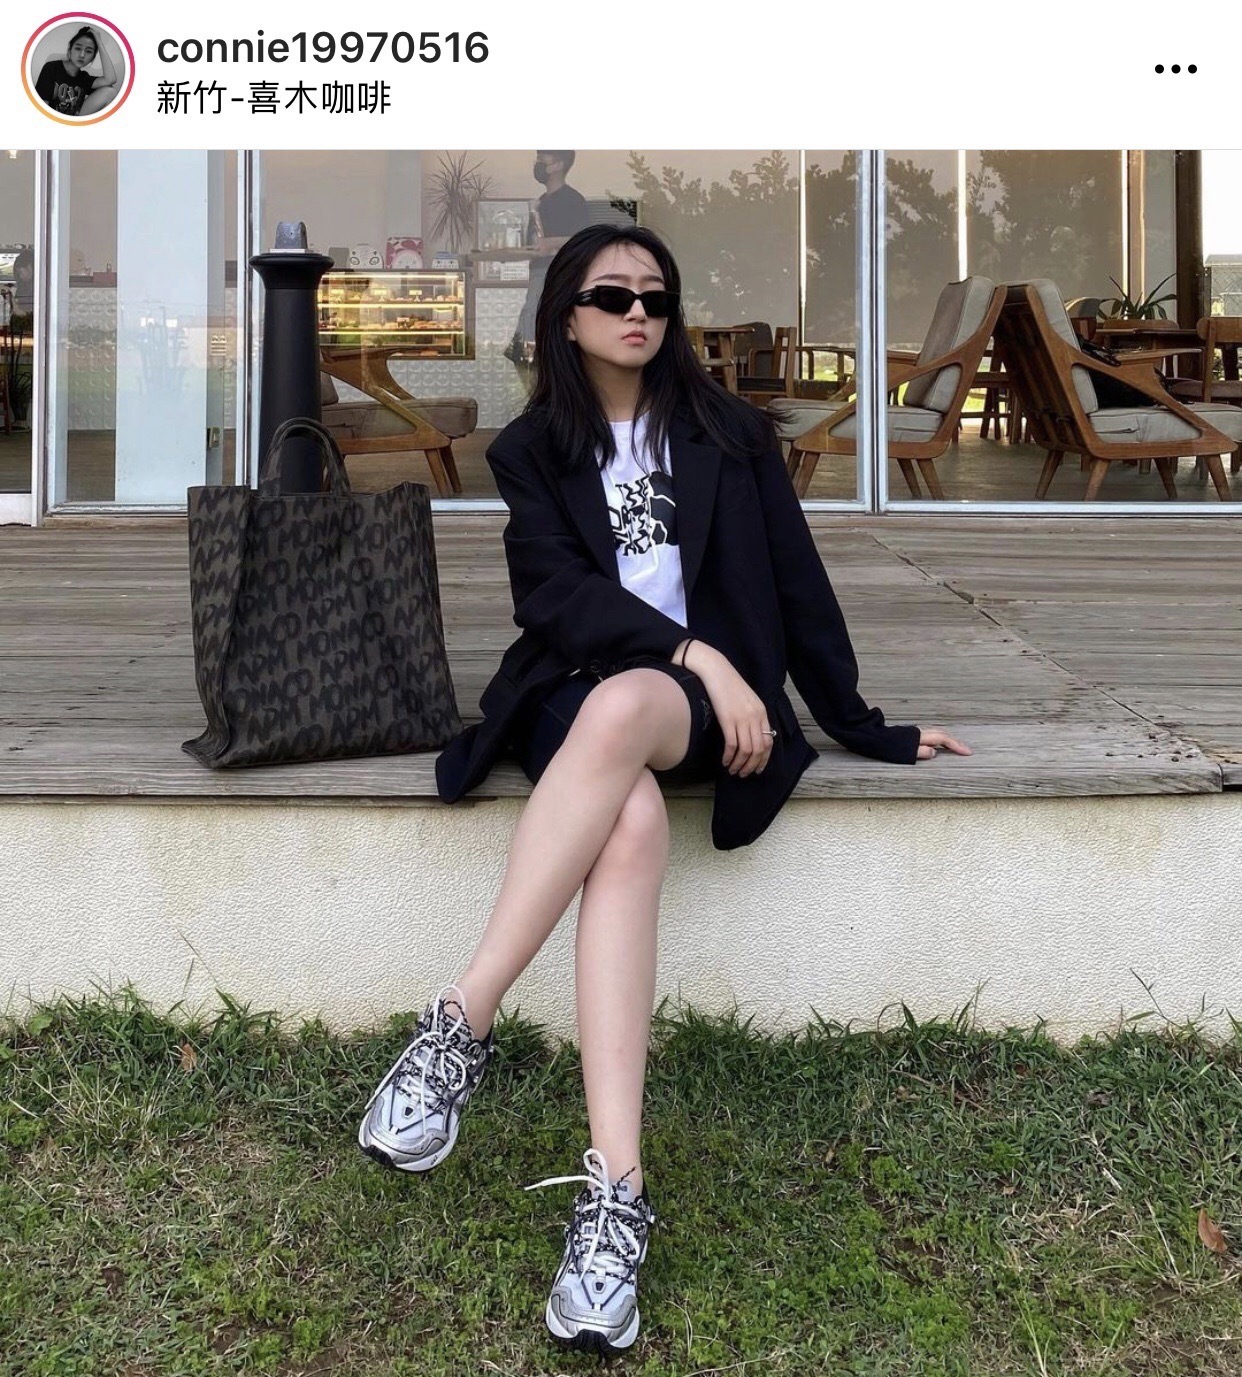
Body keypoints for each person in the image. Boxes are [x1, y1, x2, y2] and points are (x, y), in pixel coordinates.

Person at [359, 224, 971, 1356]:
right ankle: (616, 1196)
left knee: (629, 713)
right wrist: (694, 653)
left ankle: (460, 1023)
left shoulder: (731, 435)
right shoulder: (532, 448)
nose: (638, 311)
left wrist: (861, 725)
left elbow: (798, 584)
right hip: (577, 689)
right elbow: (554, 596)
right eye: (612, 295)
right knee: (629, 817)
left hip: (695, 712)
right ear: (568, 316)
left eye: (655, 295)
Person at [505, 151, 592, 381]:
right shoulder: (540, 203)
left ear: (559, 164)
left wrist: (551, 243)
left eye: (543, 160)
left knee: (537, 335)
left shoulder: (573, 200)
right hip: (537, 275)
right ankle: (539, 389)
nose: (538, 165)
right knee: (526, 341)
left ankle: (548, 387)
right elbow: (533, 244)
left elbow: (584, 240)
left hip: (558, 275)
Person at [33, 26, 120, 119]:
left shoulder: (84, 78)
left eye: (88, 51)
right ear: (69, 50)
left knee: (110, 91)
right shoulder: (52, 68)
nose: (82, 55)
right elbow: (41, 106)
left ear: (92, 58)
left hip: (75, 119)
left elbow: (110, 80)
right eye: (78, 48)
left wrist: (99, 42)